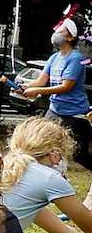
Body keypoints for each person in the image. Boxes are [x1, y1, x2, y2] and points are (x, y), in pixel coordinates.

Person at [0, 115, 92, 233]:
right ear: (55, 153)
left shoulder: (9, 168)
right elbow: (89, 225)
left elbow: (61, 230)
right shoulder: (49, 178)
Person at [17, 21, 92, 172]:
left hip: (74, 114)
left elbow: (66, 87)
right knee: (42, 145)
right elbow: (41, 81)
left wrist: (37, 91)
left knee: (79, 155)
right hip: (54, 111)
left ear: (70, 37)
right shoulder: (54, 58)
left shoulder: (76, 58)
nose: (56, 32)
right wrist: (27, 86)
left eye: (61, 30)